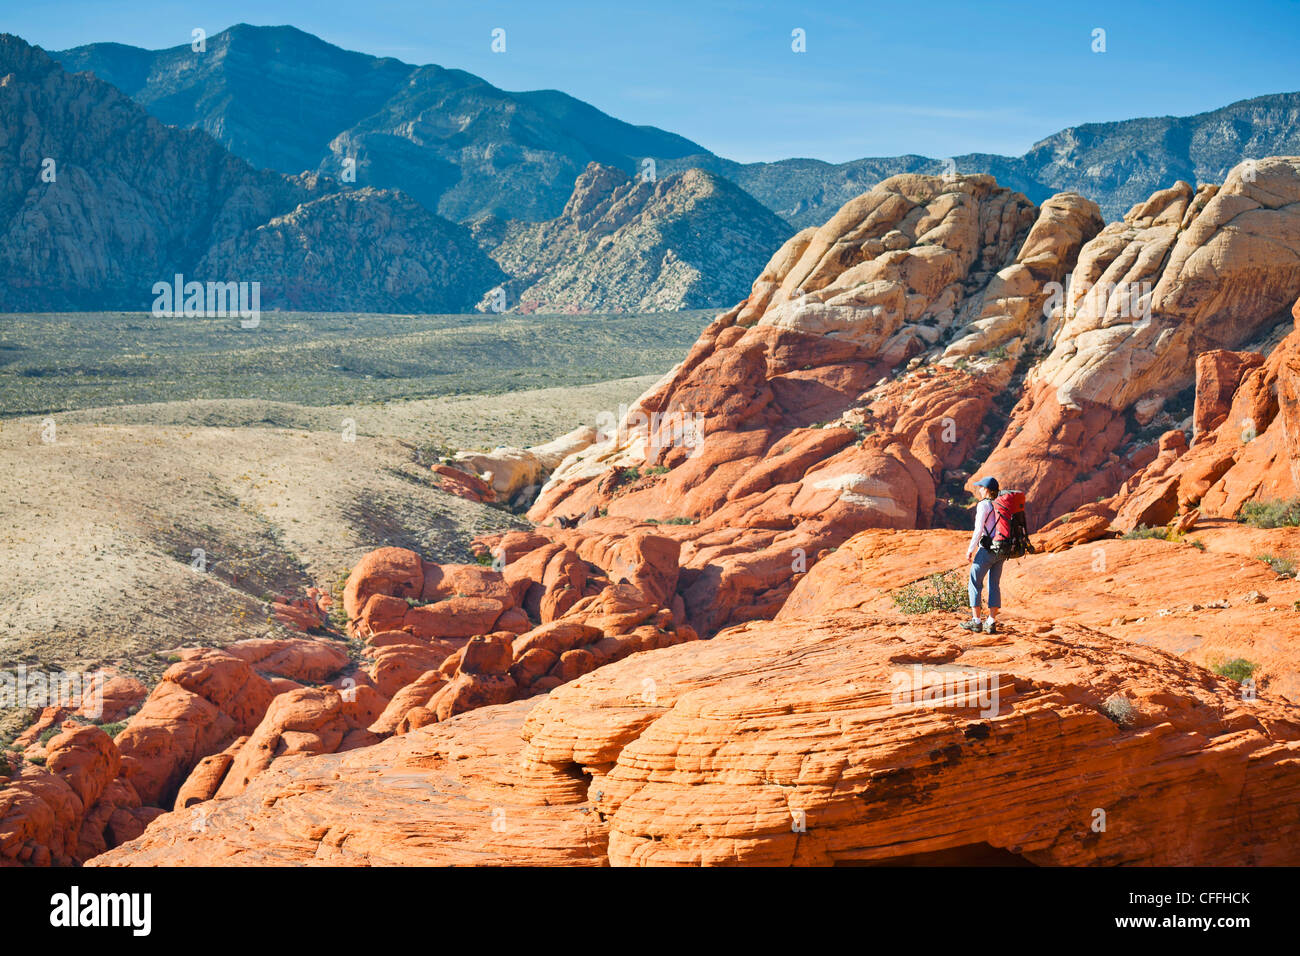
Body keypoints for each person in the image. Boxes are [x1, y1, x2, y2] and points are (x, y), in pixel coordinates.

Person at [962, 476, 1004, 633]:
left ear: (986, 489)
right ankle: (991, 621)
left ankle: (976, 621)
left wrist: (970, 549)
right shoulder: (1001, 503)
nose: (978, 489)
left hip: (987, 549)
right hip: (1001, 548)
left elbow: (978, 530)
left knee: (974, 582)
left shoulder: (983, 505)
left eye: (980, 487)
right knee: (994, 584)